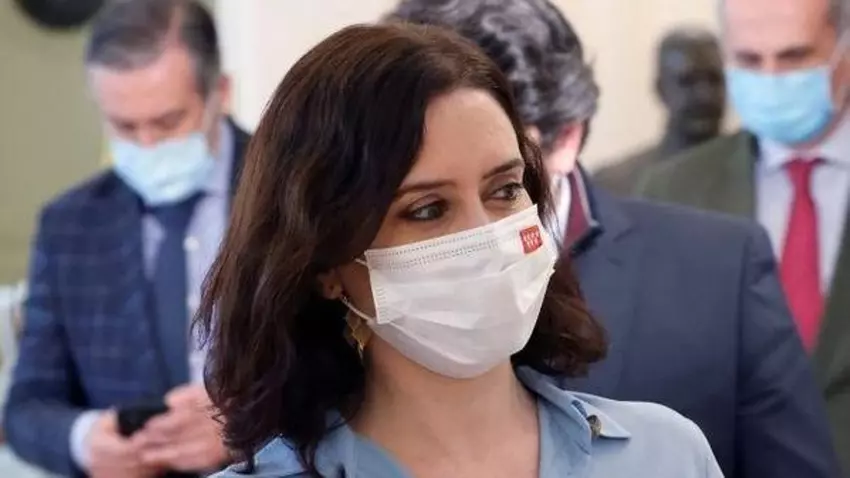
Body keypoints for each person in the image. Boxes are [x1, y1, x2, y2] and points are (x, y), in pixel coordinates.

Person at [201, 23, 722, 478]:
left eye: (505, 190)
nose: (486, 235)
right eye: (428, 209)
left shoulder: (667, 456)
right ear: (326, 264)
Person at [387, 1, 842, 477]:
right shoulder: (363, 292)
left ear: (566, 139)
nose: (468, 230)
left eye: (503, 184)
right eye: (426, 204)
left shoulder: (720, 270)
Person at [3, 1, 248, 477]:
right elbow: (27, 406)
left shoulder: (296, 191)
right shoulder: (68, 226)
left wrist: (248, 422)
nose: (147, 145)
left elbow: (356, 370)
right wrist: (83, 441)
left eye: (168, 122)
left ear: (219, 93)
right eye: (124, 126)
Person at [637, 0, 850, 472]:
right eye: (749, 60)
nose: (771, 77)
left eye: (794, 56)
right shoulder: (672, 190)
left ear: (844, 48)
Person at [595, 28, 726, 196]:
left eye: (715, 80)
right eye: (687, 81)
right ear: (661, 89)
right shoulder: (616, 184)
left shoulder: (753, 177)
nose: (704, 96)